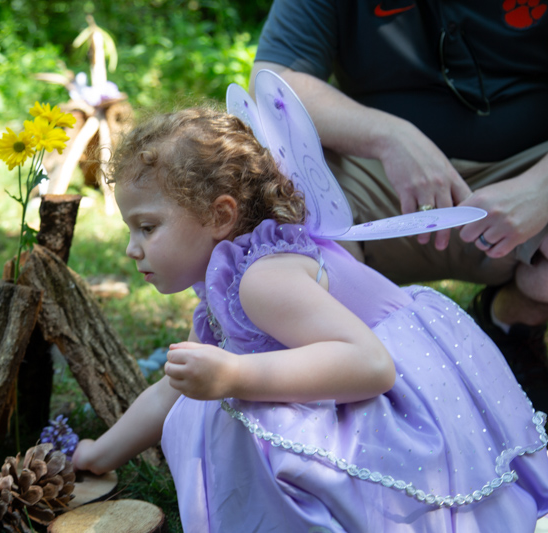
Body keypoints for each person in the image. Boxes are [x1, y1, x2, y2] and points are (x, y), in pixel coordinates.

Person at [71, 107, 548, 532]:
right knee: (213, 396)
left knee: (229, 401)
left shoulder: (262, 280)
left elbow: (372, 366)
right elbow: (172, 387)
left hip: (407, 391)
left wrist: (235, 373)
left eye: (147, 227)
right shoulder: (228, 276)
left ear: (219, 216)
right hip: (364, 370)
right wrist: (101, 453)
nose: (132, 248)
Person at [250, 0, 548, 412]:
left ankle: (513, 324)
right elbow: (273, 80)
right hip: (376, 181)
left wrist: (541, 188)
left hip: (529, 165)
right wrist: (389, 136)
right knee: (280, 204)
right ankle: (352, 370)